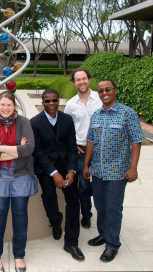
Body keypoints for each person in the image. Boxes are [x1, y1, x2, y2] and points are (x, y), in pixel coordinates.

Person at [83, 79, 142, 262]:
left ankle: (112, 244)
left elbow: (136, 141)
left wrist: (133, 168)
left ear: (115, 90)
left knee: (113, 208)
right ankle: (104, 234)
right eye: (100, 91)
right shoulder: (96, 115)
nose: (104, 93)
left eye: (107, 89)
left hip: (117, 172)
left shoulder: (127, 113)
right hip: (98, 171)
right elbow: (90, 142)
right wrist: (86, 165)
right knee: (100, 206)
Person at [0, 91, 38, 272]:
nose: (5, 108)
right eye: (2, 104)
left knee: (20, 214)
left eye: (9, 104)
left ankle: (19, 255)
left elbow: (29, 148)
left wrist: (3, 148)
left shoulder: (24, 122)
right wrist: (16, 149)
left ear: (14, 106)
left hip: (21, 174)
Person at [30, 89, 85, 261]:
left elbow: (71, 148)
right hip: (46, 167)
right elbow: (38, 152)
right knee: (49, 195)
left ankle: (71, 242)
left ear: (58, 101)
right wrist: (54, 173)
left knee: (74, 201)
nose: (52, 104)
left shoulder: (67, 120)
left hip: (66, 166)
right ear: (42, 102)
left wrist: (71, 171)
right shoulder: (35, 122)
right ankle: (55, 221)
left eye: (54, 100)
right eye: (48, 101)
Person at [64, 68, 102, 228]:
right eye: (78, 79)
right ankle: (86, 213)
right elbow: (66, 128)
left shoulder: (101, 99)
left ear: (89, 80)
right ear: (74, 83)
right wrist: (73, 145)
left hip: (101, 149)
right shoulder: (71, 104)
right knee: (84, 186)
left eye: (84, 78)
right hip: (81, 151)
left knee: (100, 184)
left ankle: (103, 215)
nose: (81, 82)